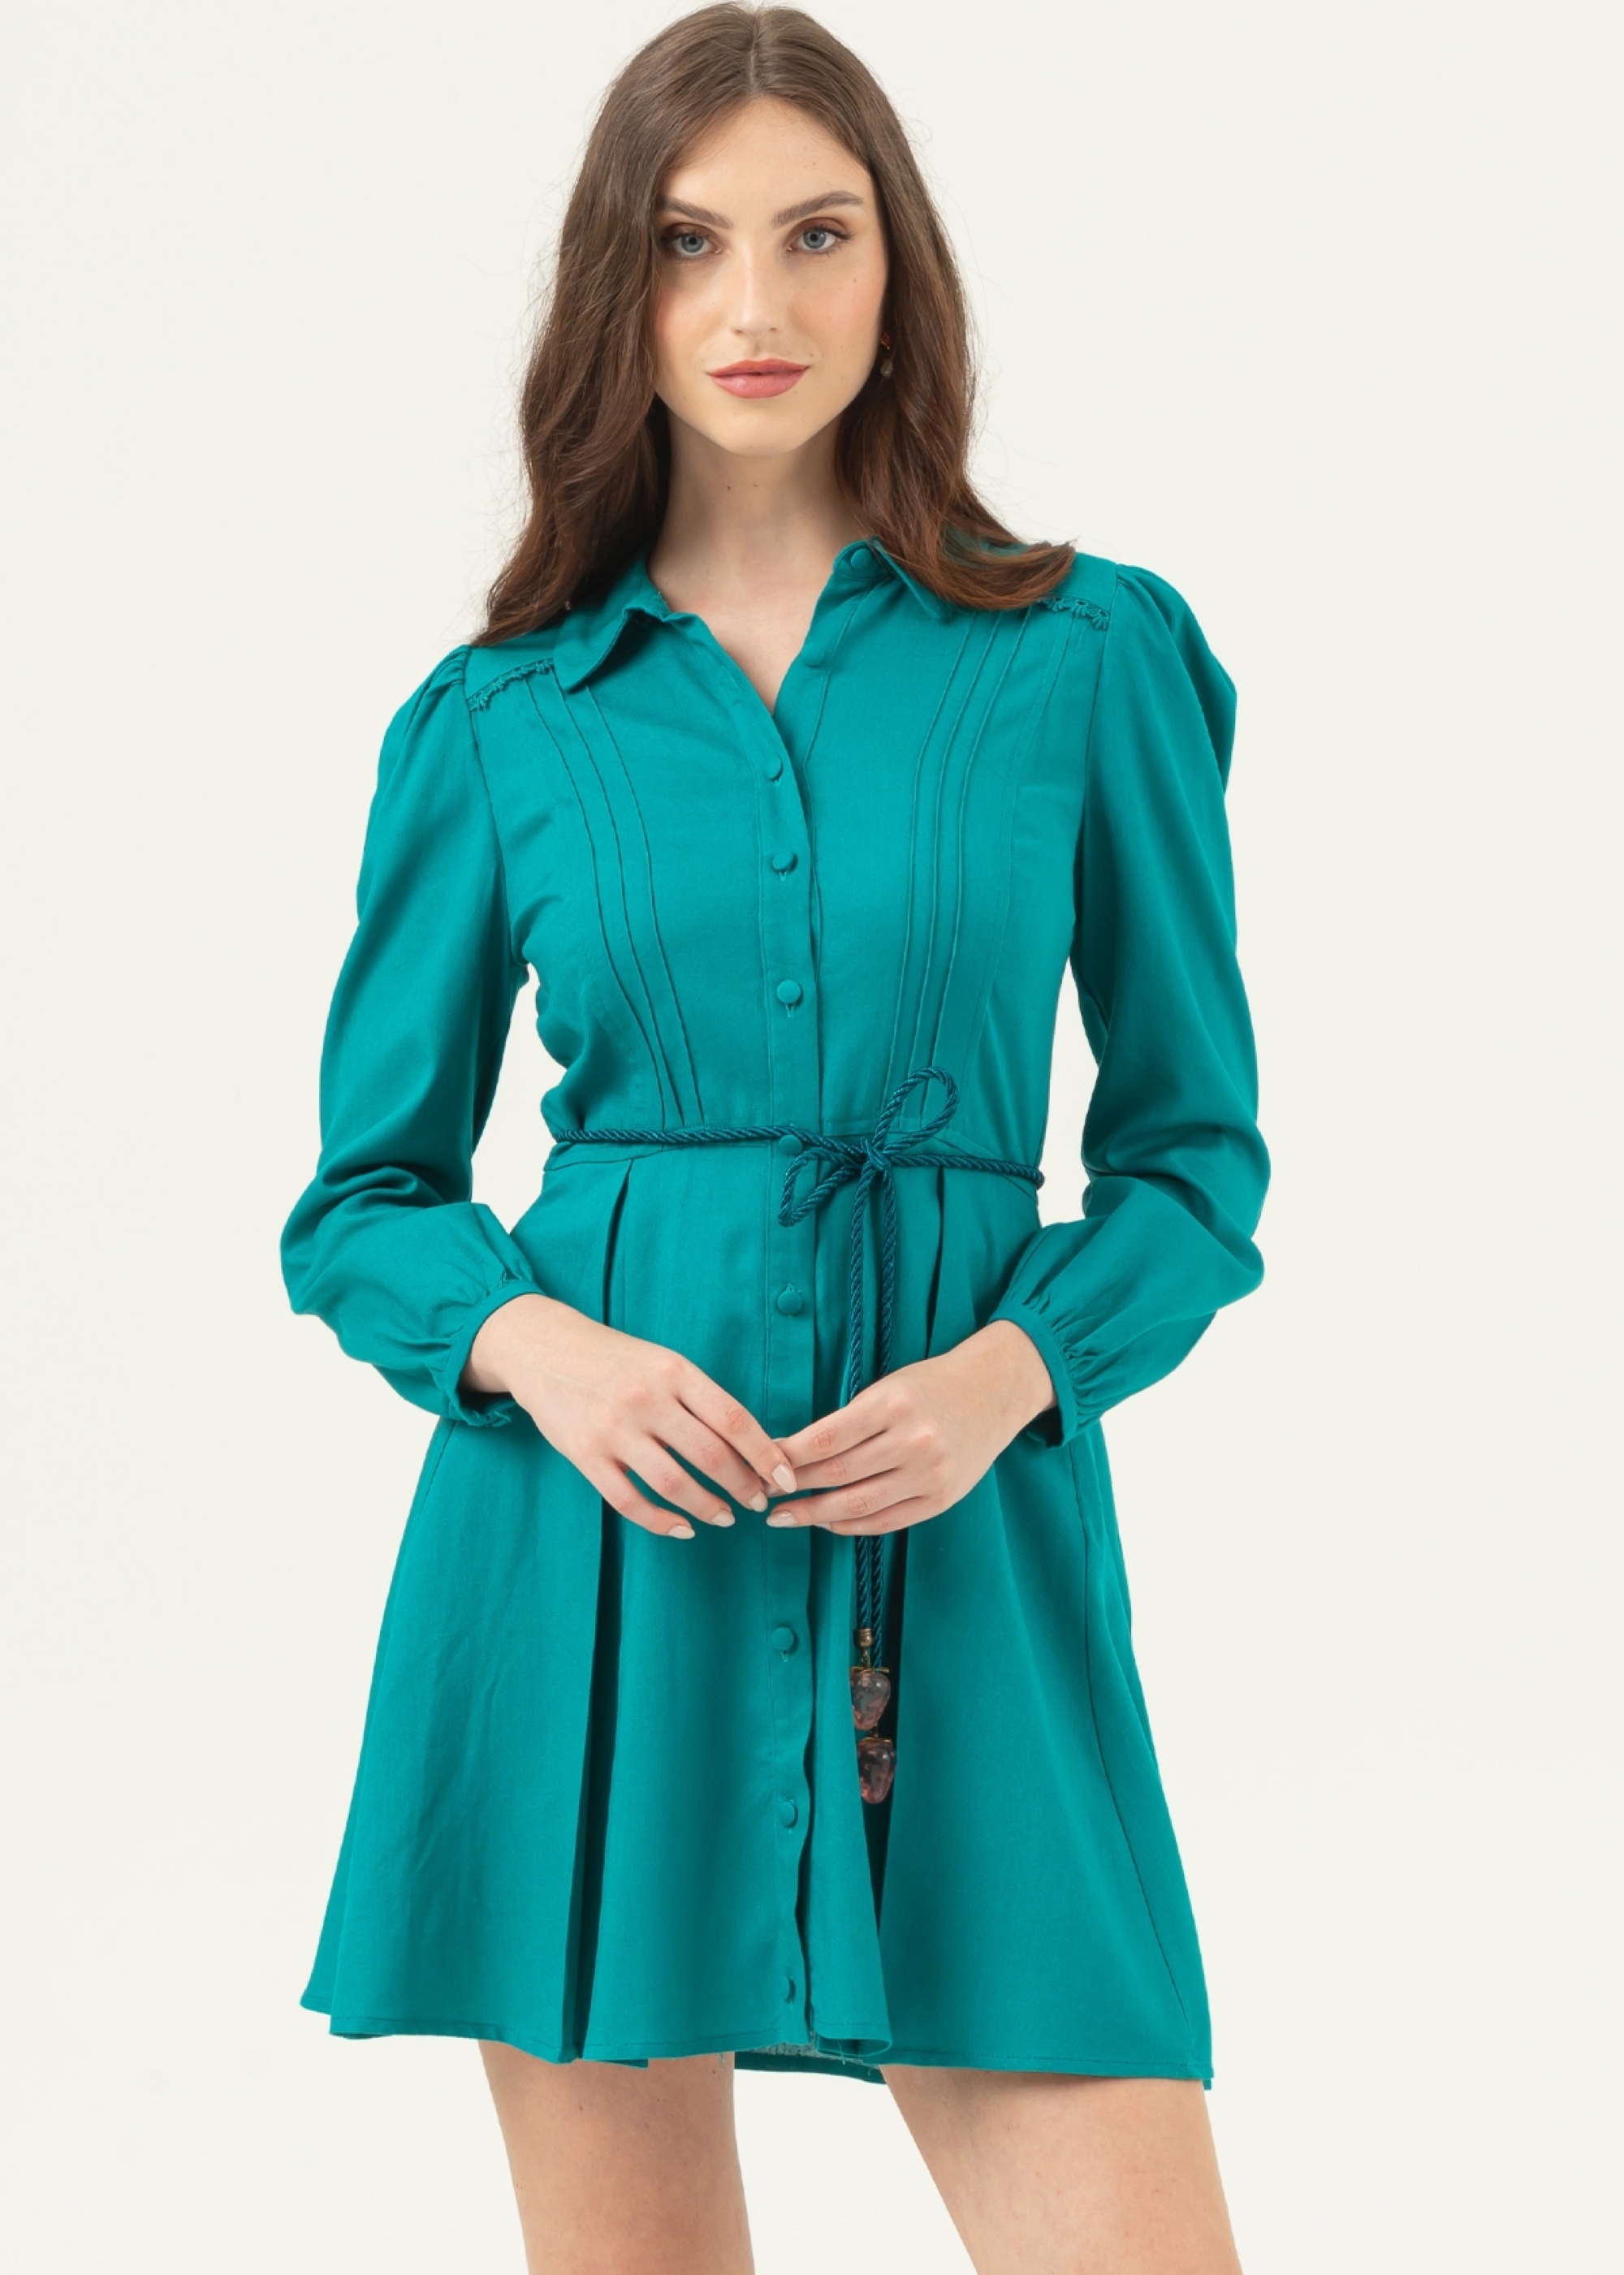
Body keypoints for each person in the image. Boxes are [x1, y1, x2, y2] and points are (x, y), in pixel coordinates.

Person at [280, 6, 1270, 2269]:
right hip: (593, 1570)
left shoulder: (1086, 656)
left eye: (817, 235)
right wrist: (544, 1349)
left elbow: (1194, 1161)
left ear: (897, 268)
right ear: (613, 288)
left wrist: (1011, 1375)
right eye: (688, 240)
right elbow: (364, 1201)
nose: (755, 303)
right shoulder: (498, 718)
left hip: (969, 1548)